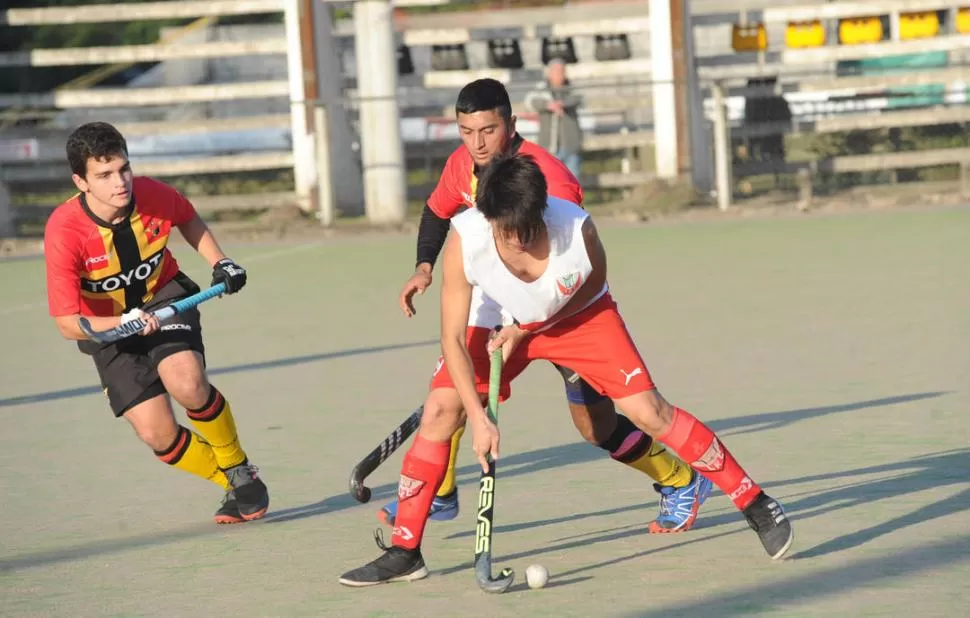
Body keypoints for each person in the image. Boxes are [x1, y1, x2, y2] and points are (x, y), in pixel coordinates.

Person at [338, 152, 793, 587]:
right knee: (441, 410)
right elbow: (452, 339)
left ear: (544, 210)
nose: (518, 239)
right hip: (498, 316)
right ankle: (405, 551)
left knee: (648, 412)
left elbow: (592, 286)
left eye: (528, 227)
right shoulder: (467, 237)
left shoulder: (576, 232)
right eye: (506, 229)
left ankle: (755, 501)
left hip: (577, 317)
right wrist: (478, 419)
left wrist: (529, 328)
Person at [382, 78, 711, 536]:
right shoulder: (463, 164)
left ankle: (681, 480)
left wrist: (526, 321)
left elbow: (569, 262)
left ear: (511, 125)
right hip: (498, 304)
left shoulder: (550, 178)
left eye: (487, 131)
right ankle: (436, 494)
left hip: (562, 311)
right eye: (466, 132)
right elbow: (438, 212)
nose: (476, 144)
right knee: (452, 396)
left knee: (596, 428)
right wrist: (423, 267)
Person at [43, 121, 269, 524]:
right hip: (106, 325)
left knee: (187, 382)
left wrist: (220, 261)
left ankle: (239, 467)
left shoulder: (152, 194)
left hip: (164, 296)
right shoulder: (64, 231)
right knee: (157, 434)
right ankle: (230, 483)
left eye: (124, 169)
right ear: (81, 182)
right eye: (105, 175)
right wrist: (119, 324)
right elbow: (67, 322)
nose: (120, 183)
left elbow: (187, 217)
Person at [524, 58, 584, 177]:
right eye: (556, 71)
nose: (559, 74)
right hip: (549, 146)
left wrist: (561, 104)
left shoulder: (572, 88)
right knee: (550, 184)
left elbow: (579, 99)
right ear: (549, 73)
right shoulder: (541, 89)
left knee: (572, 184)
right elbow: (530, 101)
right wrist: (548, 105)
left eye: (561, 71)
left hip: (570, 145)